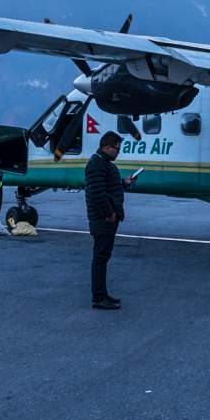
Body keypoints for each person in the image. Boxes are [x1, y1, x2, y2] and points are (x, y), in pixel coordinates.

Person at [84, 132, 126, 310]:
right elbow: (96, 193)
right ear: (107, 147)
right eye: (117, 148)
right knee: (100, 258)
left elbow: (107, 187)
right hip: (102, 219)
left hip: (105, 217)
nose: (118, 152)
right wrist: (109, 214)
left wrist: (125, 182)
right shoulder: (97, 163)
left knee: (103, 257)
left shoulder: (103, 163)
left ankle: (102, 294)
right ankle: (98, 297)